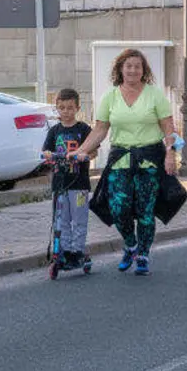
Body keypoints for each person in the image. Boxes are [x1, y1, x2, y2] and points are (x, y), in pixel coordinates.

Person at [73, 49, 178, 277]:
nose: (133, 70)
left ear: (144, 71)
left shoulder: (154, 95)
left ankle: (143, 255)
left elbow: (168, 127)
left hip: (149, 161)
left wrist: (171, 153)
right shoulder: (110, 97)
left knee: (145, 212)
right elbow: (100, 129)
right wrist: (81, 151)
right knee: (118, 208)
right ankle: (131, 245)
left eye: (137, 66)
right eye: (128, 66)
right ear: (121, 69)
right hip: (120, 160)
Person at [42, 88, 94, 274]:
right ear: (57, 108)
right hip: (60, 184)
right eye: (62, 108)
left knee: (79, 218)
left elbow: (93, 149)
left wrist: (84, 154)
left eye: (70, 108)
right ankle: (63, 252)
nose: (66, 111)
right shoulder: (54, 131)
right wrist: (47, 154)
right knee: (61, 219)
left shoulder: (83, 129)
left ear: (77, 108)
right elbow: (46, 151)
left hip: (79, 184)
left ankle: (77, 251)